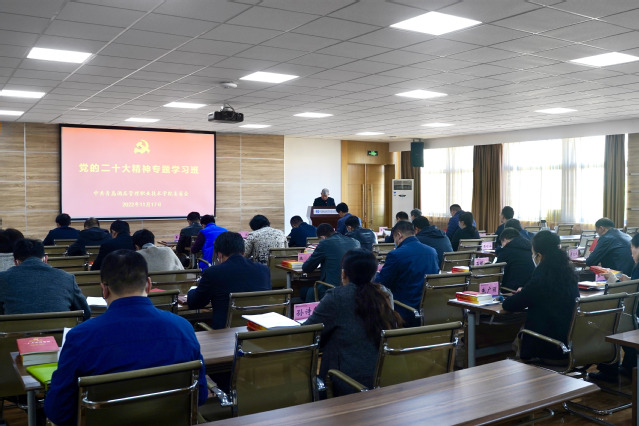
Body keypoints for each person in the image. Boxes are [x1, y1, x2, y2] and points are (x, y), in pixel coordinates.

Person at [44, 249, 207, 425]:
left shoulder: (80, 337)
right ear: (148, 285)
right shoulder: (183, 328)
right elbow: (200, 395)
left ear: (104, 289)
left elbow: (58, 411)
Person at [305, 249, 401, 396]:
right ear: (374, 273)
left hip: (344, 382)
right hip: (382, 376)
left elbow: (307, 333)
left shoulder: (337, 297)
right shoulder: (385, 294)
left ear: (344, 273)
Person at [502, 231, 579, 361]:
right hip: (567, 342)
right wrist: (526, 291)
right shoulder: (569, 272)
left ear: (539, 255)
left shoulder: (542, 275)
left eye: (533, 253)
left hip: (546, 344)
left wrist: (523, 293)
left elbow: (509, 305)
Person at [187, 232, 271, 329]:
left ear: (219, 255)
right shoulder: (263, 270)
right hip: (257, 329)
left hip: (225, 332)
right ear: (243, 252)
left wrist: (191, 291)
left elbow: (195, 303)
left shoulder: (213, 272)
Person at [0, 238, 90, 320]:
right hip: (59, 332)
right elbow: (85, 313)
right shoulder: (67, 278)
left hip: (15, 332)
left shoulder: (2, 279)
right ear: (45, 259)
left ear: (16, 262)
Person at [375, 221, 439, 323]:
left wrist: (376, 273)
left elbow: (382, 282)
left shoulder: (396, 254)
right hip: (428, 309)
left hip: (404, 309)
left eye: (394, 238)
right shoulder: (432, 252)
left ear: (399, 235)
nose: (395, 241)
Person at [301, 223, 361, 302]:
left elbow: (307, 268)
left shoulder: (325, 243)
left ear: (323, 237)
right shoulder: (355, 242)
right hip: (355, 288)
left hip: (332, 288)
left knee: (305, 291)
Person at [496, 227, 535, 292]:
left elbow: (497, 272)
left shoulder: (506, 251)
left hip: (512, 290)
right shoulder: (530, 248)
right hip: (529, 288)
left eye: (501, 243)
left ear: (505, 240)